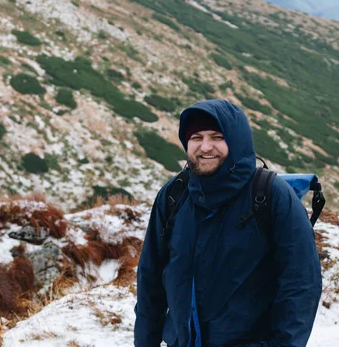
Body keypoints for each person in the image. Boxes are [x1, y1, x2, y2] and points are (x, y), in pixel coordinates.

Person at [134, 99, 322, 347]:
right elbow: (151, 281)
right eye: (196, 137)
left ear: (236, 140)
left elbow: (301, 286)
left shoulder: (272, 196)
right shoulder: (173, 195)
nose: (205, 146)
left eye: (217, 137)